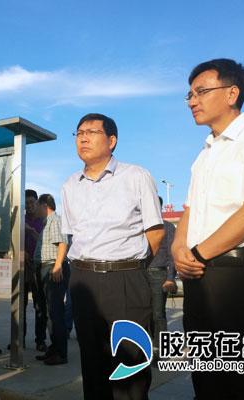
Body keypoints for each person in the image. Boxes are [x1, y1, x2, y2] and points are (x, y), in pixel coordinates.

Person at [171, 58, 244, 400]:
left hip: (241, 275)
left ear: (232, 93)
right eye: (190, 95)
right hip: (199, 274)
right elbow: (189, 211)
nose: (192, 101)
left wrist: (196, 254)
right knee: (207, 379)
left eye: (200, 92)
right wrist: (179, 249)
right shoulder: (204, 154)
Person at [61, 113, 164, 399]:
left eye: (91, 132)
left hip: (125, 279)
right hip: (83, 280)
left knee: (129, 367)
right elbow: (73, 236)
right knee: (92, 365)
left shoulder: (136, 176)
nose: (83, 138)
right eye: (79, 133)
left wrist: (131, 267)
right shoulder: (70, 185)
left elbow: (155, 233)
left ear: (111, 141)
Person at [33, 193, 70, 365]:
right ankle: (54, 349)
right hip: (46, 268)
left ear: (44, 206)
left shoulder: (55, 220)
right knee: (49, 312)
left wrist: (58, 266)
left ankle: (60, 353)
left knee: (55, 312)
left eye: (36, 206)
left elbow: (63, 243)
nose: (34, 210)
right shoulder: (46, 223)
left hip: (53, 268)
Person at [147, 196, 177, 358]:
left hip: (159, 274)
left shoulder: (168, 227)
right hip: (140, 275)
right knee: (145, 314)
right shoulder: (140, 228)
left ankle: (161, 350)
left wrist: (170, 278)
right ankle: (148, 347)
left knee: (158, 314)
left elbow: (173, 255)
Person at [23, 189, 48, 351]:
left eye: (32, 202)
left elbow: (45, 242)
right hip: (22, 267)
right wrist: (22, 252)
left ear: (37, 202)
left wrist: (31, 230)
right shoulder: (20, 220)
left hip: (39, 266)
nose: (30, 205)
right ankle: (19, 339)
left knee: (40, 305)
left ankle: (40, 340)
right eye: (26, 203)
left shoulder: (43, 221)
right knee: (20, 305)